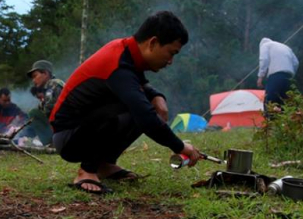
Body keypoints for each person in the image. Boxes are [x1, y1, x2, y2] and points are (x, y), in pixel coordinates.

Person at [50, 11, 202, 194]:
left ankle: (105, 164)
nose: (170, 61)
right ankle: (87, 171)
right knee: (137, 108)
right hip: (69, 137)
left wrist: (157, 96)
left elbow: (139, 82)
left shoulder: (126, 53)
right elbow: (145, 115)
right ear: (152, 42)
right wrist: (181, 146)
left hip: (82, 130)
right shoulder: (117, 64)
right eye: (171, 53)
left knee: (141, 104)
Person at [26, 60, 64, 145]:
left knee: (34, 113)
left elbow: (49, 110)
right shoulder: (50, 87)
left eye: (35, 76)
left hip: (66, 124)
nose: (33, 80)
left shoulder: (53, 83)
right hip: (65, 124)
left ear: (45, 73)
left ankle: (51, 143)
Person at [257, 37, 299, 112]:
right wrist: (291, 75)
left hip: (275, 77)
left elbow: (264, 60)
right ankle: (286, 122)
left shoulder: (265, 45)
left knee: (270, 102)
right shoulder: (286, 47)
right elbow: (296, 63)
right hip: (289, 78)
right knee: (287, 102)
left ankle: (271, 121)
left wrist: (261, 76)